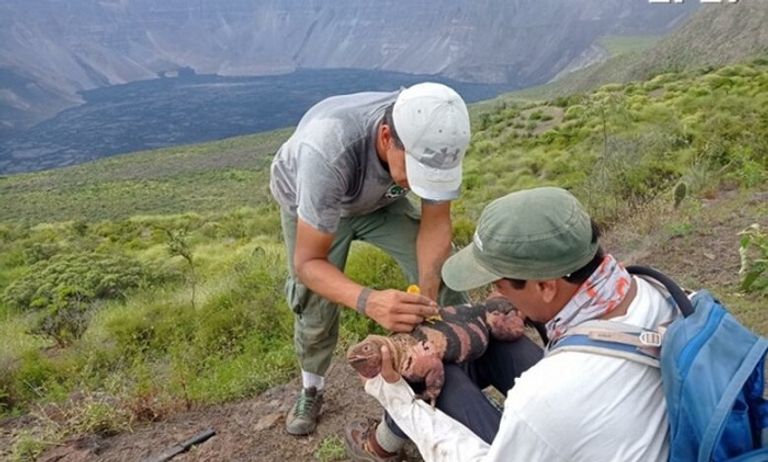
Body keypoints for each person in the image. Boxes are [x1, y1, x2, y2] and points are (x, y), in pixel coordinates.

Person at [349, 187, 679, 462]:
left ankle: (382, 443)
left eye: (499, 285)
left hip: (573, 421)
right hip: (637, 431)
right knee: (494, 345)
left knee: (440, 382)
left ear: (546, 286)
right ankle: (386, 440)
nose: (493, 294)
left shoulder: (542, 397)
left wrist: (393, 391)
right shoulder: (662, 294)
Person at [269, 82, 472, 437]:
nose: (419, 185)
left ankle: (463, 369)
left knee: (445, 277)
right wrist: (370, 301)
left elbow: (436, 224)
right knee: (314, 302)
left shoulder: (433, 130)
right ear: (385, 137)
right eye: (415, 173)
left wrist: (426, 298)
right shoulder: (327, 150)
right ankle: (312, 388)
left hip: (379, 201)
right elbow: (308, 262)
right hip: (313, 208)